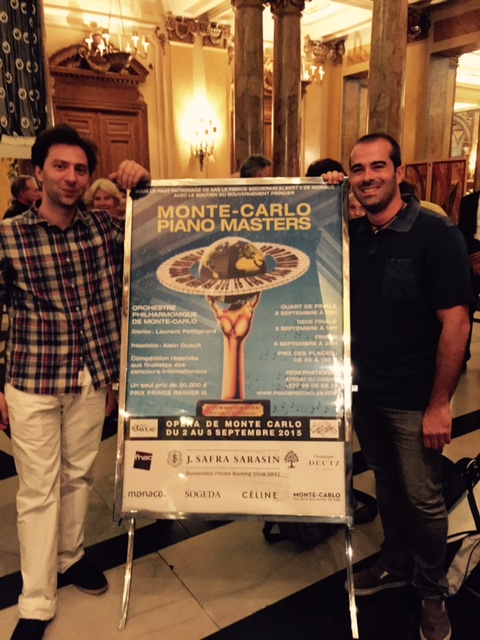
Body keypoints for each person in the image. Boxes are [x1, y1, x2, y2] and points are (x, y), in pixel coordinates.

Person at [0, 124, 150, 640]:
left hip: (90, 378)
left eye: (80, 169)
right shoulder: (10, 236)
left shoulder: (104, 229)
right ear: (38, 171)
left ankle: (70, 556)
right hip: (32, 381)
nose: (71, 177)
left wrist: (143, 183)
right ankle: (36, 602)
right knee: (38, 490)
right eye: (60, 166)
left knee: (78, 476)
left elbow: (157, 233)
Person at [324, 133, 472, 640]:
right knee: (387, 484)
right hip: (367, 394)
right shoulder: (353, 234)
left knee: (423, 499)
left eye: (378, 166)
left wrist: (439, 405)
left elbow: (456, 323)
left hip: (415, 399)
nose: (367, 177)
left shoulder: (435, 233)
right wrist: (323, 192)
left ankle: (432, 591)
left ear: (400, 172)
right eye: (357, 169)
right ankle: (395, 562)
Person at [458, 189, 480, 365]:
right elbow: (463, 233)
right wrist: (473, 256)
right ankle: (462, 356)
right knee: (467, 306)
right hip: (473, 261)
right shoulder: (469, 201)